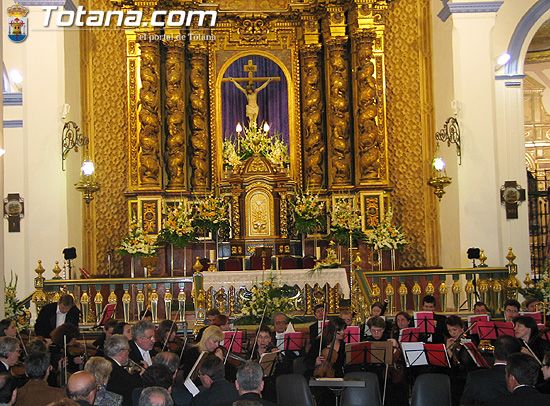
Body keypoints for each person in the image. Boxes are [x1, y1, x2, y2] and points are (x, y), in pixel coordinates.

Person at [461, 335, 524, 405]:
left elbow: (465, 403)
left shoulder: (474, 377)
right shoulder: (521, 377)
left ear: (494, 352)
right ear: (517, 354)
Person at [104, 335, 143, 406]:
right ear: (122, 352)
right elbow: (134, 388)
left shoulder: (106, 362)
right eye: (128, 350)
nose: (129, 353)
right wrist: (140, 375)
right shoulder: (115, 370)